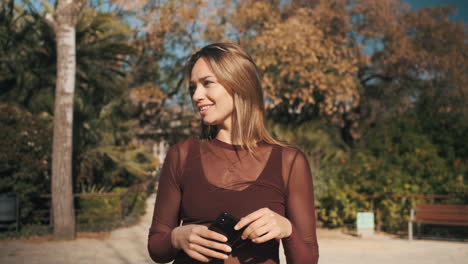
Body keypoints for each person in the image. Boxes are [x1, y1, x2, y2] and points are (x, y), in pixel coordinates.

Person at [147, 42, 319, 264]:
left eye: (207, 83)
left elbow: (308, 259)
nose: (197, 95)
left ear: (239, 84)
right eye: (193, 88)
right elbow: (156, 247)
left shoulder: (289, 162)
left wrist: (287, 229)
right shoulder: (181, 155)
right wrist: (176, 237)